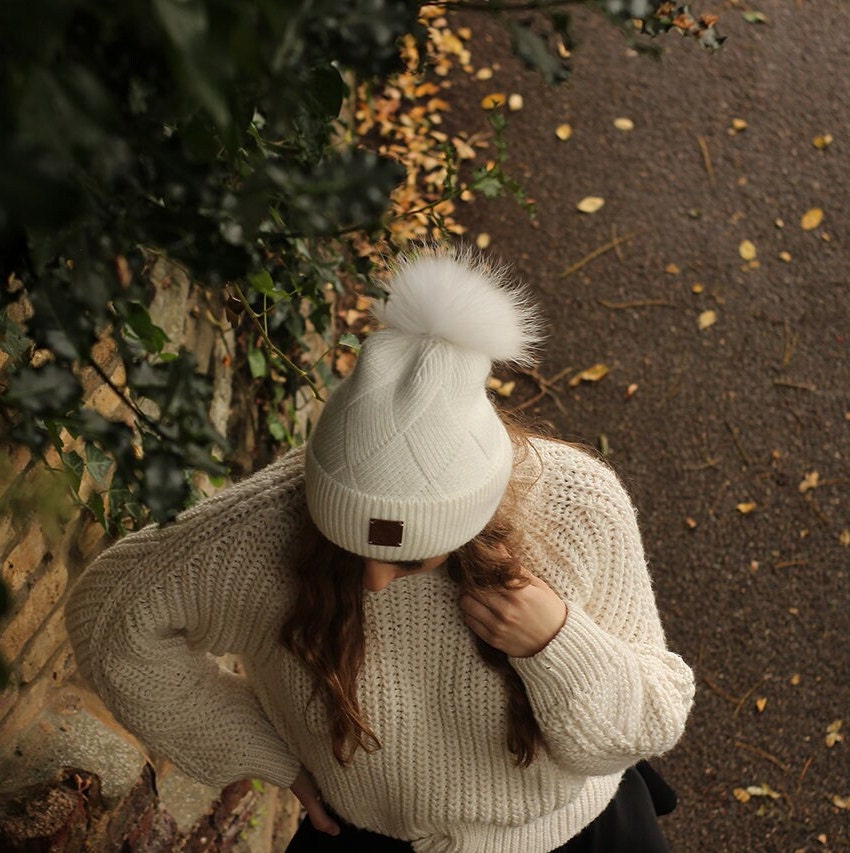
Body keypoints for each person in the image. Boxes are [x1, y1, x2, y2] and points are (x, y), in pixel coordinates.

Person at [66, 247, 694, 852]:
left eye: (409, 559)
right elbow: (110, 619)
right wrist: (265, 755)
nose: (372, 581)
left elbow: (653, 719)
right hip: (377, 840)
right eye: (344, 544)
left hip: (574, 832)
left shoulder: (577, 505)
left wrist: (556, 642)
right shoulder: (261, 531)